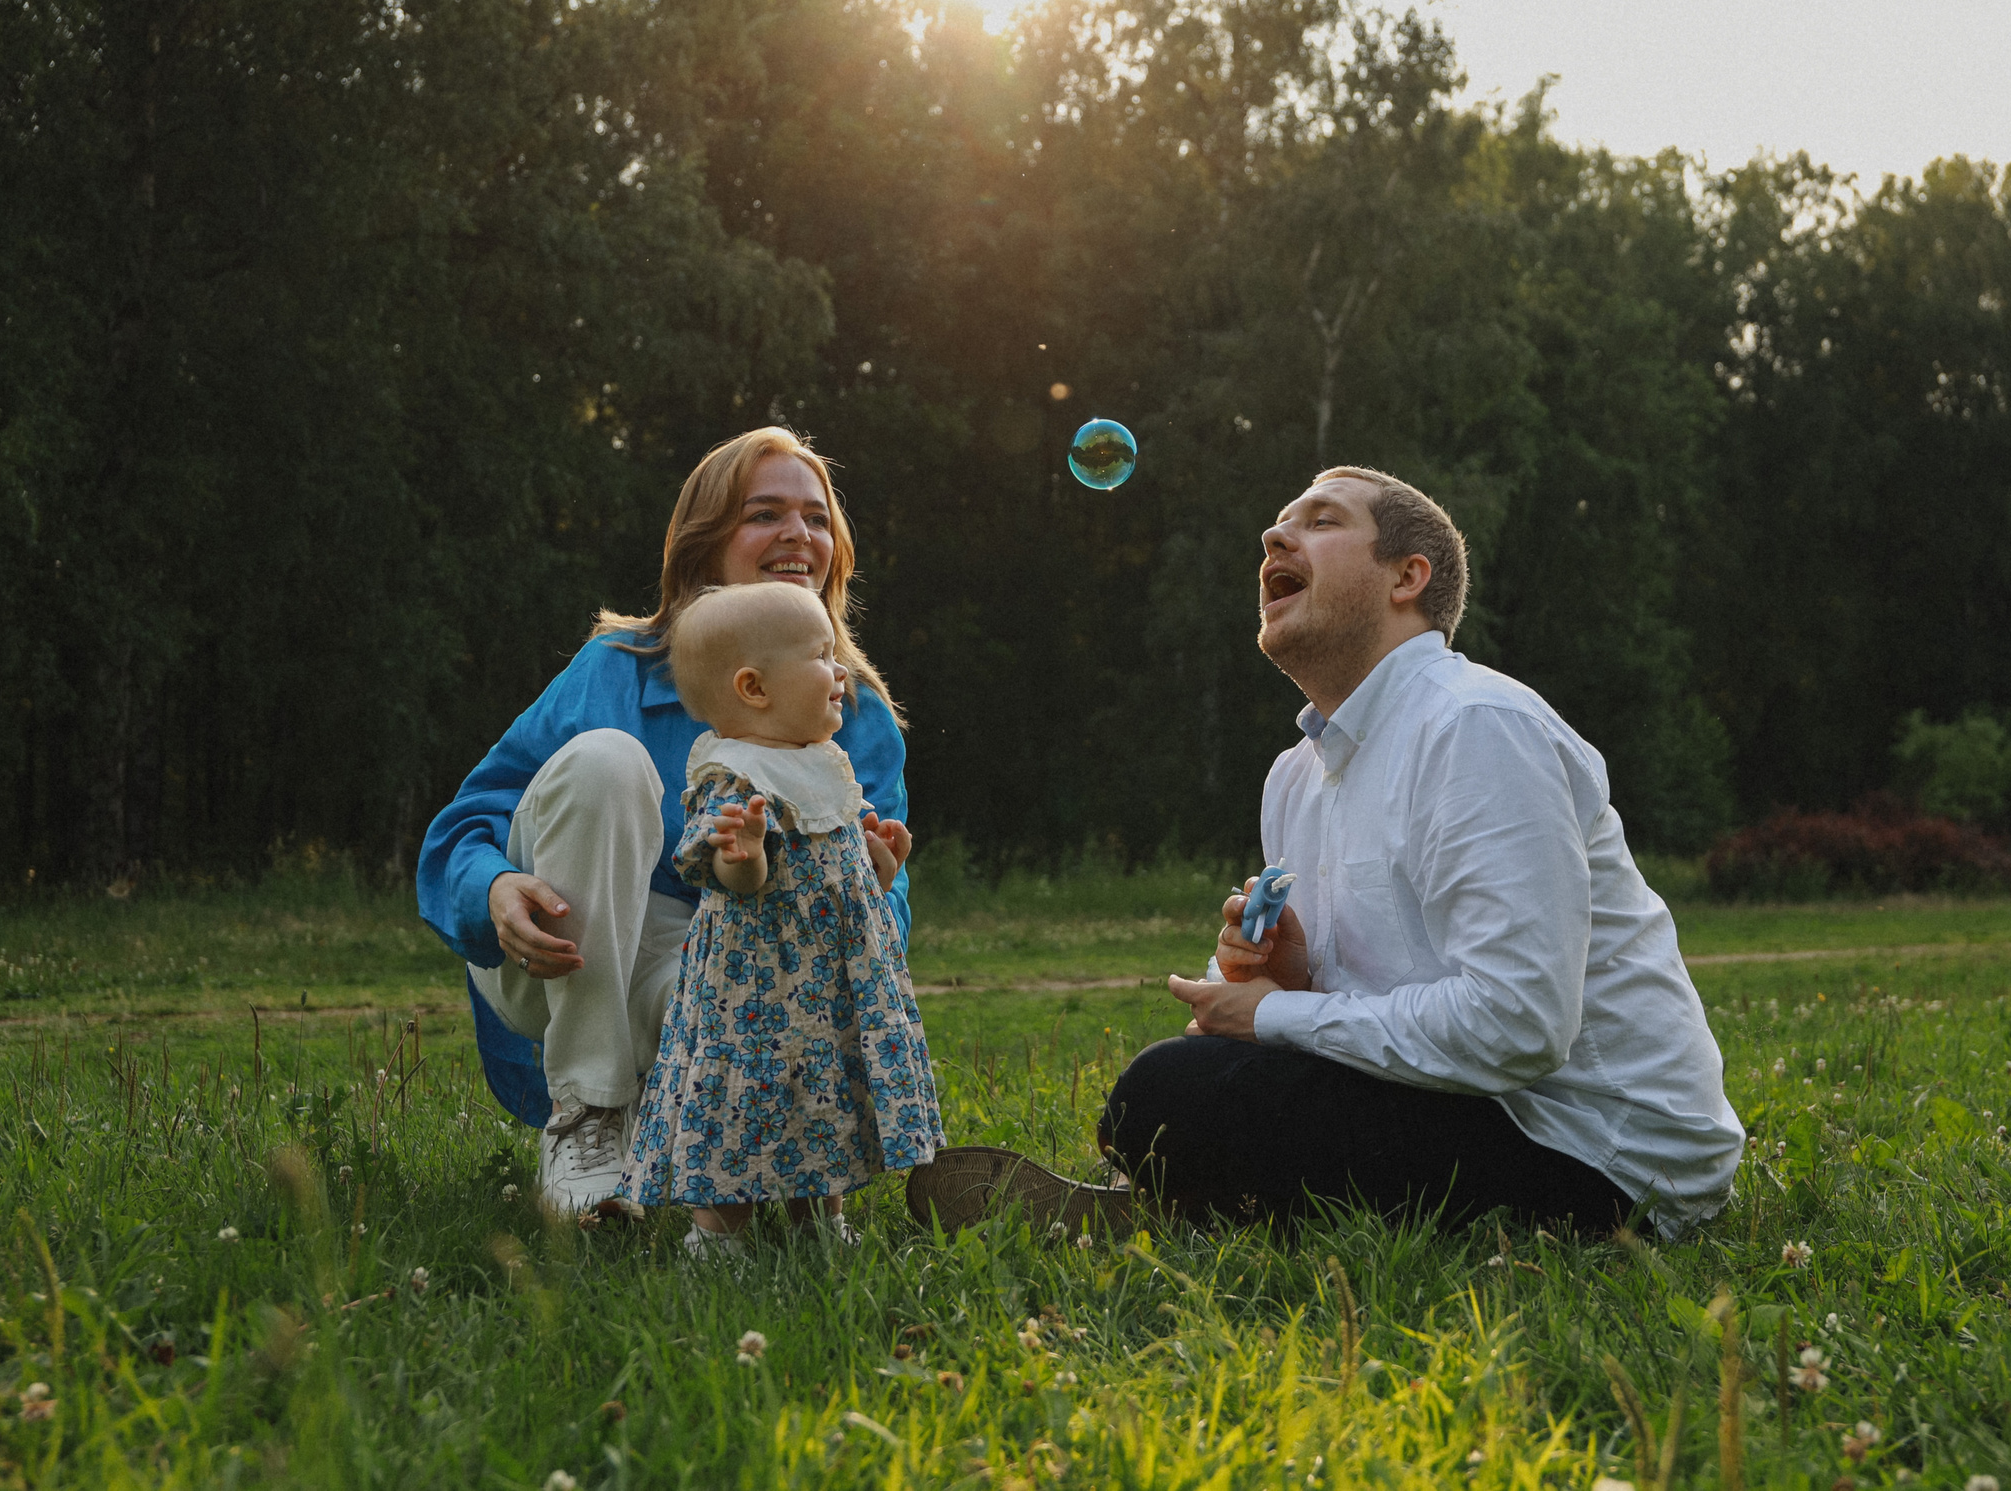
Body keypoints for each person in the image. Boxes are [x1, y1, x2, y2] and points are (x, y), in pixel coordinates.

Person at [911, 466, 1742, 1240]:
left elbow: (1518, 1023)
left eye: (1319, 521)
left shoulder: (1476, 726)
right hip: (1478, 1105)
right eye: (1276, 528)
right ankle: (1193, 1197)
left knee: (1167, 1094)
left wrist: (1275, 1015)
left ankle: (1187, 1203)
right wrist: (1285, 980)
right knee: (1182, 1087)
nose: (1275, 540)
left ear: (1406, 577)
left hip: (1603, 1154)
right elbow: (1388, 1012)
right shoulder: (1295, 774)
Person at [415, 429, 913, 1214]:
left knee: (752, 977)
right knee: (608, 760)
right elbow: (465, 824)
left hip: (717, 966)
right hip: (556, 942)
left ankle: (700, 1149)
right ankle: (588, 1112)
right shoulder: (616, 667)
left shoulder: (851, 713)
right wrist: (494, 888)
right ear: (705, 545)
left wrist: (866, 885)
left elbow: (885, 912)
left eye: (817, 519)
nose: (798, 534)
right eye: (766, 513)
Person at [620, 581, 940, 1254]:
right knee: (742, 1100)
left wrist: (878, 866)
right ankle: (717, 1235)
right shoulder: (735, 778)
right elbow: (734, 878)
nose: (842, 670)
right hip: (755, 1000)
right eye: (822, 656)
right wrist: (743, 856)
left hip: (823, 991)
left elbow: (841, 870)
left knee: (820, 1096)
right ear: (755, 687)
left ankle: (818, 1216)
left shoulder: (821, 762)